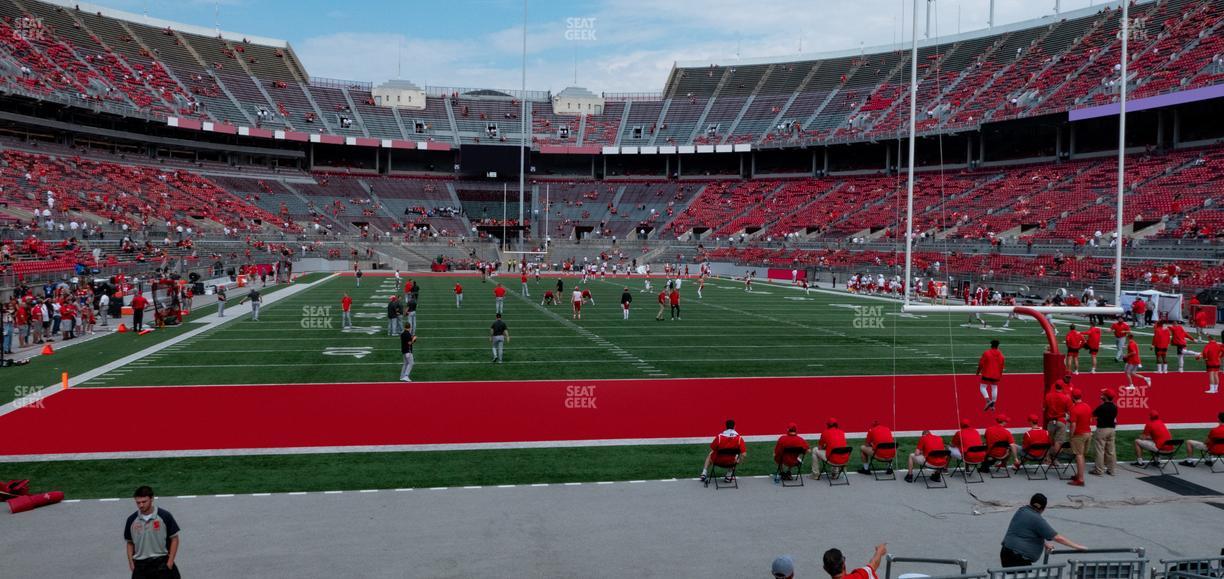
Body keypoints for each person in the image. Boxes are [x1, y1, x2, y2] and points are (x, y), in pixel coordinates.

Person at [999, 493, 1086, 567]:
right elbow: (1057, 538)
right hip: (1018, 558)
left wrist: (1044, 543)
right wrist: (1078, 547)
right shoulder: (1037, 519)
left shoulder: (1022, 510)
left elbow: (1028, 531)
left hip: (1005, 552)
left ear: (1030, 503)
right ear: (1043, 509)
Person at [124, 485, 182, 578]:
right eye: (138, 502)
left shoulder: (165, 516)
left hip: (162, 564)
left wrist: (170, 563)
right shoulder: (131, 520)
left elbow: (174, 539)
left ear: (152, 499)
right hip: (141, 567)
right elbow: (130, 543)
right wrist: (131, 563)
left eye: (144, 502)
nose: (141, 505)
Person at [700, 419, 747, 484]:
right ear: (734, 427)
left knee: (710, 454)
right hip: (731, 462)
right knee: (736, 457)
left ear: (726, 427)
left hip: (718, 461)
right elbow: (744, 454)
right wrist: (738, 461)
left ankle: (704, 473)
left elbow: (713, 448)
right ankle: (728, 476)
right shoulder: (739, 438)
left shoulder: (719, 437)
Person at [1089, 388, 1117, 476]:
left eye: (1103, 395)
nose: (1102, 396)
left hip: (1102, 429)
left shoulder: (1102, 407)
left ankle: (1099, 470)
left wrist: (1098, 418)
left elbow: (1093, 415)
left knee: (1100, 450)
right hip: (1112, 429)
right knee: (1111, 451)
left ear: (1105, 397)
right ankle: (1111, 470)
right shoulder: (1115, 407)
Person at [1067, 388, 1092, 486]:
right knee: (1082, 455)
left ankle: (1080, 479)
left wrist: (1071, 436)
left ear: (1072, 397)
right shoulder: (1087, 406)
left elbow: (1073, 425)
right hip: (1088, 433)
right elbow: (1090, 420)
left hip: (1079, 435)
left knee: (1079, 455)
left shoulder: (1073, 409)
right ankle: (1079, 475)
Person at [822, 544, 887, 579]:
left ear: (825, 569)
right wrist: (879, 551)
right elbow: (874, 564)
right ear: (843, 563)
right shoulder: (860, 576)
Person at [977, 339, 1005, 411]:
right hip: (996, 375)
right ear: (998, 346)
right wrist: (1000, 375)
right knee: (994, 388)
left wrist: (978, 371)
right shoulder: (1001, 355)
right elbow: (1002, 367)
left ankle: (988, 400)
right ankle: (993, 405)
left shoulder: (986, 353)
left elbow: (981, 364)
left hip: (986, 373)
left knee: (982, 387)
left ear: (991, 345)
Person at [1044, 380, 1072, 446]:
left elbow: (1044, 408)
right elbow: (1069, 411)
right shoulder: (1066, 398)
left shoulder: (1048, 396)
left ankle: (1049, 455)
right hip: (1061, 421)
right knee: (1058, 441)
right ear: (1062, 387)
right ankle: (1056, 456)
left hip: (1051, 421)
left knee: (1050, 441)